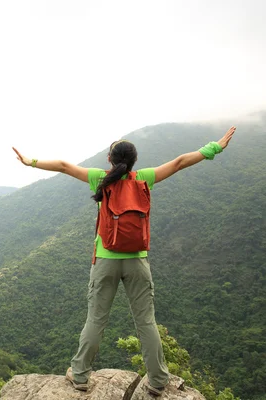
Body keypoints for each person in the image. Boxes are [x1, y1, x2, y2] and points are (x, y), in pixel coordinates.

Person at [12, 126, 236, 396]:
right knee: (146, 321)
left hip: (105, 260)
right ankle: (157, 381)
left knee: (96, 319)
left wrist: (30, 162)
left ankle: (81, 374)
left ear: (110, 160)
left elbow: (62, 165)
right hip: (137, 261)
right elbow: (179, 163)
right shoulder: (144, 178)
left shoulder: (99, 178)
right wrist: (214, 147)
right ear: (134, 161)